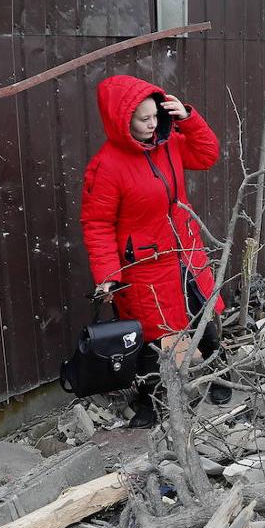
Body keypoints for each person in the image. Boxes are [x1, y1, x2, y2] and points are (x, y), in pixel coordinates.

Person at [81, 74, 231, 428]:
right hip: (144, 263)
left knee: (202, 313)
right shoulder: (106, 166)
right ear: (122, 120)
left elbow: (208, 154)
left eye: (155, 116)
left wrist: (188, 119)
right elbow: (97, 224)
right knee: (150, 334)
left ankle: (220, 374)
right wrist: (108, 275)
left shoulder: (170, 143)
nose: (152, 125)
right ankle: (150, 400)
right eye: (143, 119)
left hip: (185, 250)